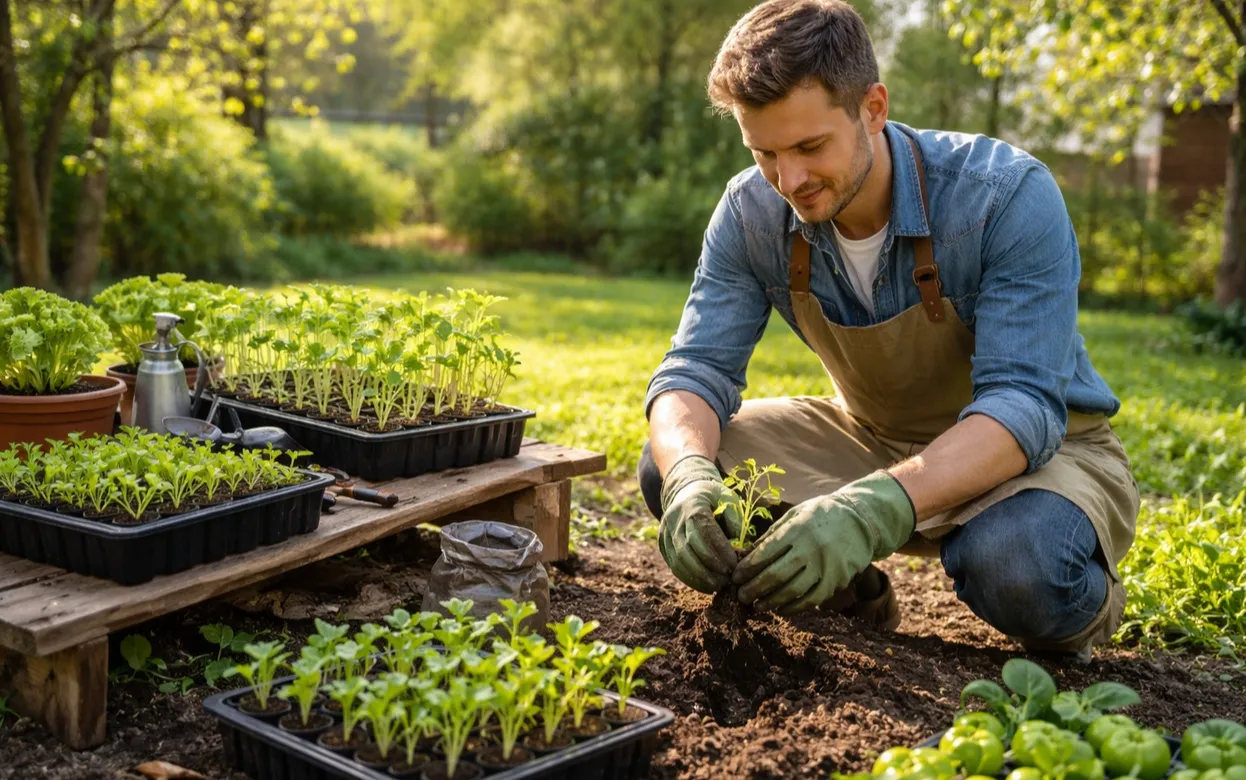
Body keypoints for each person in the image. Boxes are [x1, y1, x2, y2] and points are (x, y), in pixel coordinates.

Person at [637, 0, 1140, 660]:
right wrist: (688, 479)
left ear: (873, 108)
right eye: (764, 152)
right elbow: (694, 371)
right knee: (674, 465)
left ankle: (1082, 607)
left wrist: (872, 508)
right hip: (870, 437)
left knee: (1018, 566)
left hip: (1035, 459)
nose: (789, 180)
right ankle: (849, 596)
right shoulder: (751, 212)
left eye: (811, 147)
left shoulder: (1005, 195)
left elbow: (1022, 407)